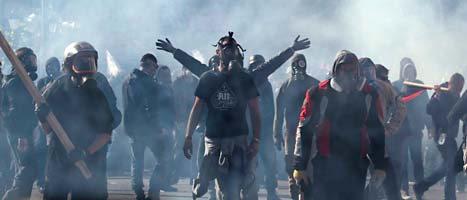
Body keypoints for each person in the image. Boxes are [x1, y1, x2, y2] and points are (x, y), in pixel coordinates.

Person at [293, 50, 386, 200]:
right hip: (324, 163)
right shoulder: (318, 93)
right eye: (345, 69)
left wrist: (381, 165)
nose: (349, 75)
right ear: (336, 70)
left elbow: (377, 132)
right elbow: (304, 129)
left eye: (352, 69)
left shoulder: (369, 94)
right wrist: (300, 165)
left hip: (356, 165)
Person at [182, 32, 261, 200]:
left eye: (233, 48)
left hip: (239, 139)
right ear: (218, 52)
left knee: (247, 184)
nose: (229, 52)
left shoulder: (245, 78)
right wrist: (188, 137)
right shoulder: (208, 78)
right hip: (214, 141)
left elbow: (255, 111)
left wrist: (256, 140)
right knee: (222, 188)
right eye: (225, 48)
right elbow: (196, 109)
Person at [35, 41, 114, 199]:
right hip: (59, 160)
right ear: (69, 64)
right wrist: (42, 117)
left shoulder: (97, 94)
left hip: (90, 161)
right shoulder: (56, 89)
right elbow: (47, 130)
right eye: (82, 62)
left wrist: (86, 152)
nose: (87, 67)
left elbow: (106, 134)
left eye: (91, 62)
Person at [122, 53, 171, 200]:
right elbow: (145, 106)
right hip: (147, 130)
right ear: (150, 65)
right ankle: (152, 193)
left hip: (134, 129)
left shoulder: (127, 80)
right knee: (163, 159)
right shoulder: (142, 81)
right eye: (155, 67)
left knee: (137, 162)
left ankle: (140, 194)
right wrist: (158, 127)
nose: (155, 71)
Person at [273, 53, 319, 200]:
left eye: (301, 64)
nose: (299, 67)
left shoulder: (314, 85)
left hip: (310, 132)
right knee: (290, 162)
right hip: (291, 132)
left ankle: (304, 191)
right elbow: (279, 112)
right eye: (296, 64)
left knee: (309, 164)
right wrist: (277, 133)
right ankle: (294, 187)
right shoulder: (286, 86)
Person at [360, 59, 407, 200]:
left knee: (387, 178)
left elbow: (400, 107)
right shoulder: (353, 86)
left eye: (370, 69)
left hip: (377, 139)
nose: (368, 72)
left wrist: (389, 128)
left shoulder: (383, 87)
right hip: (355, 140)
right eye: (365, 69)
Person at [413, 73, 465, 200]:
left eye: (460, 88)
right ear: (450, 84)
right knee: (451, 165)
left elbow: (460, 111)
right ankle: (449, 197)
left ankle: (422, 185)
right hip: (441, 134)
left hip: (451, 135)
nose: (458, 90)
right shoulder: (441, 92)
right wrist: (438, 96)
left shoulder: (456, 95)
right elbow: (429, 109)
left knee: (448, 166)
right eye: (456, 87)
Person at [1, 47, 39, 200]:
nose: (34, 62)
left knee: (20, 169)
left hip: (24, 132)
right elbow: (15, 113)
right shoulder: (16, 83)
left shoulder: (22, 81)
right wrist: (22, 136)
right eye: (30, 59)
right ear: (21, 62)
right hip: (20, 133)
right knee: (28, 169)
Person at [392, 58, 430, 197]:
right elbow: (392, 106)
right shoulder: (395, 86)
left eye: (411, 70)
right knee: (402, 160)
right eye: (406, 70)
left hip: (415, 130)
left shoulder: (420, 85)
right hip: (401, 131)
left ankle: (420, 188)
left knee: (417, 160)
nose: (409, 73)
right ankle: (404, 190)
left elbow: (426, 106)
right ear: (402, 72)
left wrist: (430, 125)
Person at [35, 56, 62, 192]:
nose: (52, 68)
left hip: (59, 123)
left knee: (55, 153)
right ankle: (41, 181)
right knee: (42, 153)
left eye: (54, 65)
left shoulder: (63, 81)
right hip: (45, 122)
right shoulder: (43, 82)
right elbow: (37, 99)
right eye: (49, 66)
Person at [173, 67, 199, 182]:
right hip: (181, 121)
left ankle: (193, 176)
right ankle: (173, 176)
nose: (189, 71)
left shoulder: (197, 82)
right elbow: (173, 102)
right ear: (183, 70)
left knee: (196, 149)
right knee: (179, 149)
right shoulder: (177, 82)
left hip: (194, 120)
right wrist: (176, 121)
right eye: (186, 69)